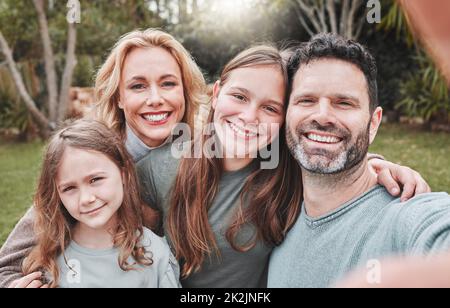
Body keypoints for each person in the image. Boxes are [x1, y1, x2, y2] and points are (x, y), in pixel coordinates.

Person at [136, 44, 430, 288]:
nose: (249, 117)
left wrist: (376, 164)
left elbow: (336, 155)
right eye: (239, 97)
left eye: (270, 108)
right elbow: (136, 263)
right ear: (216, 94)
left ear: (285, 117)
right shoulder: (160, 168)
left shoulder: (290, 168)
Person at [0, 28, 206, 288]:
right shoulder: (92, 161)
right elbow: (6, 266)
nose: (155, 99)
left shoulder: (204, 160)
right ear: (119, 97)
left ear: (185, 91)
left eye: (168, 83)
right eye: (138, 86)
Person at [267, 33, 450, 288]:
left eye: (344, 103)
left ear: (373, 123)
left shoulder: (406, 218)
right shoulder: (277, 211)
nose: (322, 116)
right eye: (306, 100)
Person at [7, 119, 180, 288]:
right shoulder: (48, 260)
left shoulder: (156, 253)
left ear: (124, 174)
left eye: (96, 179)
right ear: (57, 194)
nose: (86, 199)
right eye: (69, 188)